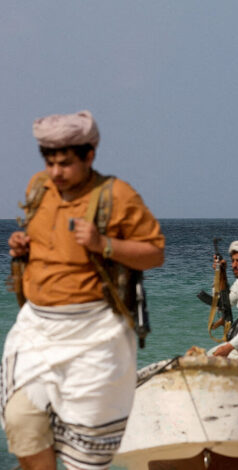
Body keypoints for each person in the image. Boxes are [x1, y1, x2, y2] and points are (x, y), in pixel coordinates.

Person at [1, 110, 165, 470]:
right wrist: (23, 247)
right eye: (49, 162)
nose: (56, 172)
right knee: (21, 422)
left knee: (87, 451)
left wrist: (104, 243)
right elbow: (48, 241)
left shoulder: (117, 196)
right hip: (36, 331)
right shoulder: (38, 187)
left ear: (89, 155)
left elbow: (154, 254)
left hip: (96, 335)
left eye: (65, 163)